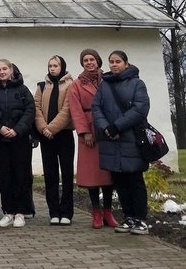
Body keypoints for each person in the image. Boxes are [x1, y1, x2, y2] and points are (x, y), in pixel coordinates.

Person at [92, 50, 150, 236]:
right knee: (119, 180)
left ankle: (141, 219)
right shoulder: (104, 85)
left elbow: (140, 109)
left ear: (126, 63)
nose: (114, 64)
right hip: (111, 141)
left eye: (118, 61)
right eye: (111, 62)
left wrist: (117, 127)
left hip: (131, 139)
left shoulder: (137, 84)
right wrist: (106, 128)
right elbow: (96, 107)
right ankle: (128, 216)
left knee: (135, 180)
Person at [68, 49, 117, 229]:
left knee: (109, 174)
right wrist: (84, 132)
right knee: (92, 175)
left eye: (92, 59)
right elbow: (76, 111)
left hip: (108, 129)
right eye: (86, 60)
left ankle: (108, 212)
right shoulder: (76, 85)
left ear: (98, 61)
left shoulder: (108, 80)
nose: (89, 62)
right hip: (89, 131)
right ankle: (96, 212)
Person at [0, 59, 34, 229]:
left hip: (19, 140)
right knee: (4, 177)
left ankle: (21, 212)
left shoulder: (23, 90)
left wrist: (17, 130)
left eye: (4, 68)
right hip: (0, 141)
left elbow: (30, 111)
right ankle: (8, 212)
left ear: (11, 70)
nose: (2, 72)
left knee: (21, 176)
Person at [34, 55, 75, 225]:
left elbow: (67, 110)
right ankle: (54, 212)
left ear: (62, 66)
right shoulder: (42, 86)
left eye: (55, 65)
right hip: (46, 137)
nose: (52, 68)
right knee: (50, 175)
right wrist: (44, 128)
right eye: (50, 65)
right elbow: (36, 109)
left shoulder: (71, 85)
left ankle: (66, 212)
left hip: (64, 135)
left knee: (66, 175)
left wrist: (51, 129)